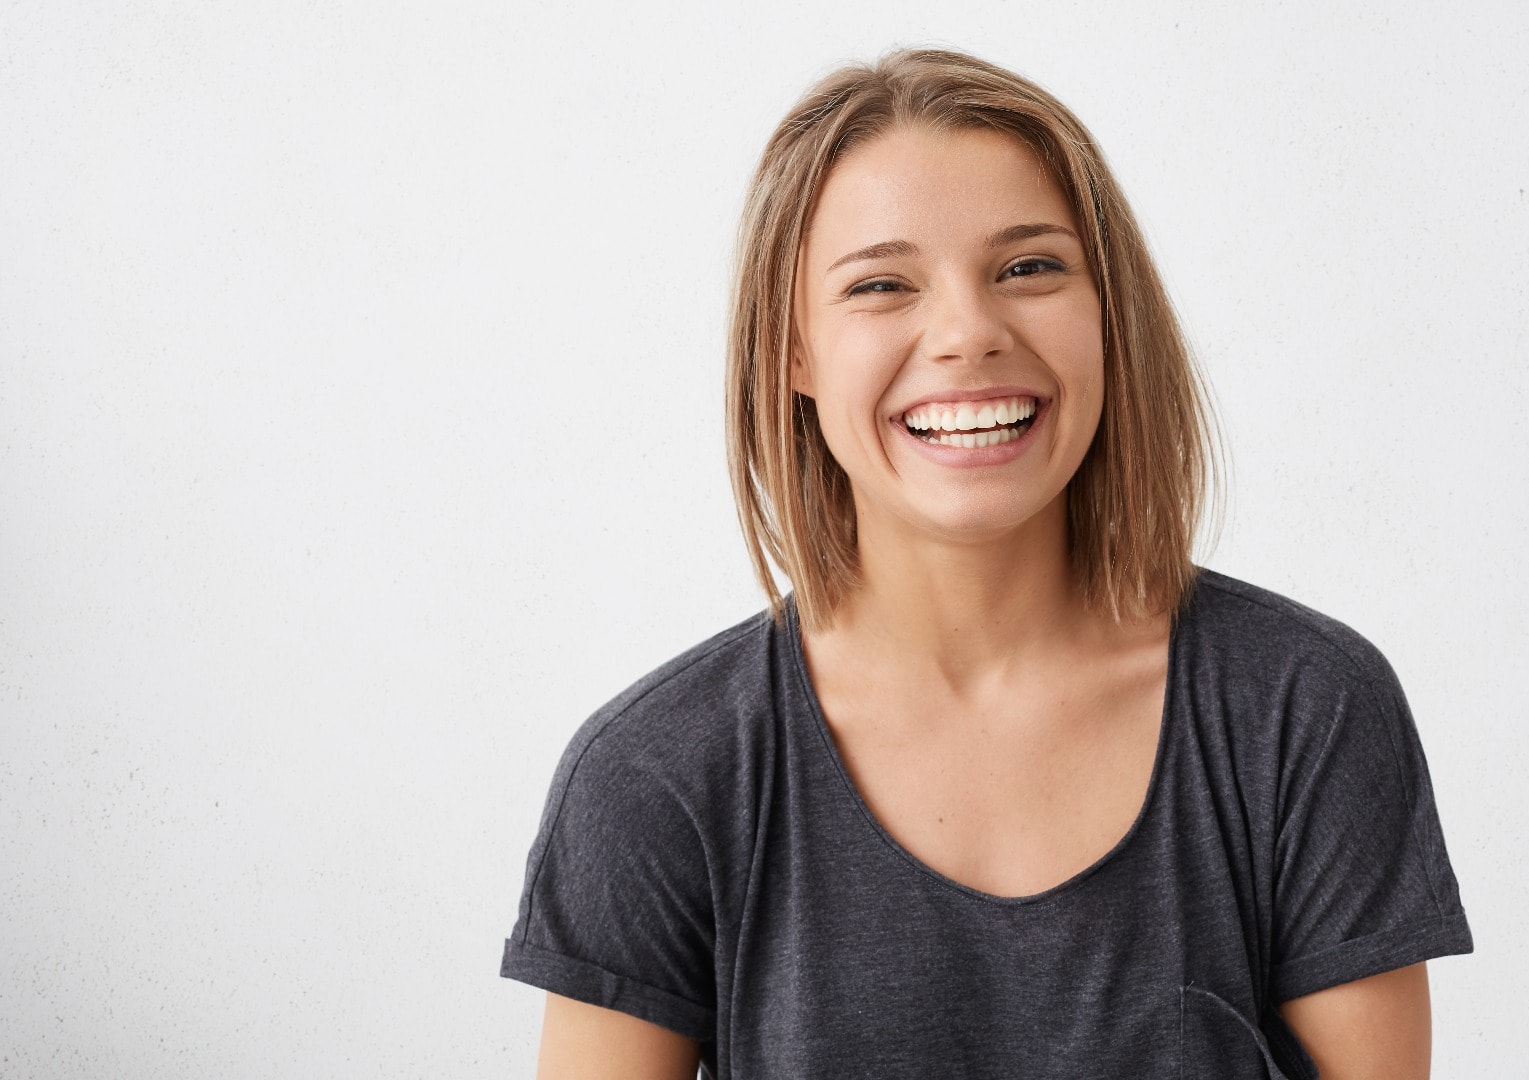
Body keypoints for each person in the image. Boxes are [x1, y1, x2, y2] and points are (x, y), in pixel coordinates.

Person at [501, 48, 1472, 1080]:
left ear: (1111, 312)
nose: (967, 332)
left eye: (1029, 267)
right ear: (792, 352)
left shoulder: (1303, 711)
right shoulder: (655, 779)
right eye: (880, 285)